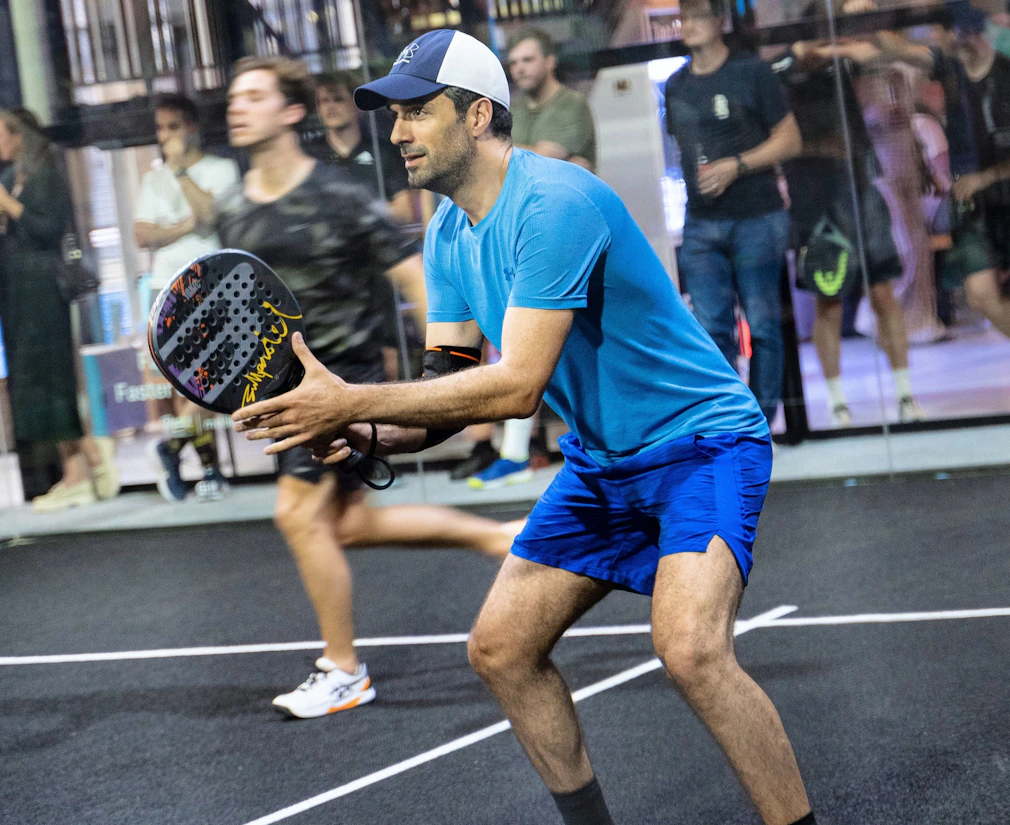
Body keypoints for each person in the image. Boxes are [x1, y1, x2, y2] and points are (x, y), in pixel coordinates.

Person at [235, 30, 817, 825]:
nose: (397, 132)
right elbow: (448, 385)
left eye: (417, 112)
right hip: (604, 463)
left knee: (690, 650)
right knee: (501, 649)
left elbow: (514, 388)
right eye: (394, 115)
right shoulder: (445, 231)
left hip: (701, 441)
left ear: (477, 117)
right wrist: (364, 435)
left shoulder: (556, 203)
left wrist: (355, 401)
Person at [217, 55, 522, 719]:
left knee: (296, 516)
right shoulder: (233, 210)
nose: (237, 107)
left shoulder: (342, 197)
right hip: (281, 386)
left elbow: (416, 279)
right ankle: (501, 539)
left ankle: (344, 669)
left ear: (291, 111)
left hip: (344, 379)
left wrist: (448, 377)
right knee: (348, 524)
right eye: (234, 97)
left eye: (254, 95)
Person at [462, 27, 600, 490]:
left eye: (527, 60)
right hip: (521, 238)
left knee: (560, 350)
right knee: (519, 347)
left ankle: (541, 452)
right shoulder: (515, 110)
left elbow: (543, 159)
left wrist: (495, 153)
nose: (518, 69)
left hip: (572, 241)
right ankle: (518, 453)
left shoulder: (570, 106)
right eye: (513, 62)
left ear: (549, 61)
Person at [773, 29, 925, 427]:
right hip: (814, 202)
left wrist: (828, 48)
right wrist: (800, 51)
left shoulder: (840, 60)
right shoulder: (782, 70)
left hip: (859, 191)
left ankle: (905, 395)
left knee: (882, 292)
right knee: (829, 301)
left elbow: (865, 50)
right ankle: (838, 403)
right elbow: (789, 62)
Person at [664, 0, 802, 426]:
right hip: (702, 221)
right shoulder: (676, 84)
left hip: (756, 215)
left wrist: (736, 165)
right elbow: (684, 149)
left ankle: (760, 420)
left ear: (720, 22)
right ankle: (731, 421)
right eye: (683, 18)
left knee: (761, 323)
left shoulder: (751, 72)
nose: (688, 25)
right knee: (709, 330)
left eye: (697, 17)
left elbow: (791, 141)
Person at [851, 11, 1010, 338]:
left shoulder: (1004, 72)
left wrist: (987, 177)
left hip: (998, 189)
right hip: (974, 203)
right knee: (980, 295)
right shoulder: (949, 69)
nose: (946, 39)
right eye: (942, 32)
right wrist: (866, 22)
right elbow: (899, 50)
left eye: (950, 31)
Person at [0, 107, 119, 512]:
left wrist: (10, 207)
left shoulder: (46, 176)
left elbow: (51, 229)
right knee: (34, 382)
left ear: (19, 135)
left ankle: (80, 466)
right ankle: (86, 459)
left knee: (52, 377)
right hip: (14, 290)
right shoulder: (8, 176)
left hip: (42, 289)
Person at [134, 94, 240, 502]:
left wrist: (180, 173)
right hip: (167, 287)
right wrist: (184, 225)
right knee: (182, 385)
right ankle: (206, 469)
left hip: (210, 282)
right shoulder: (150, 180)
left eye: (173, 127)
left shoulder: (220, 169)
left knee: (213, 377)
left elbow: (211, 216)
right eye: (161, 129)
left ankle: (172, 449)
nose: (166, 137)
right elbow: (143, 235)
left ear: (192, 128)